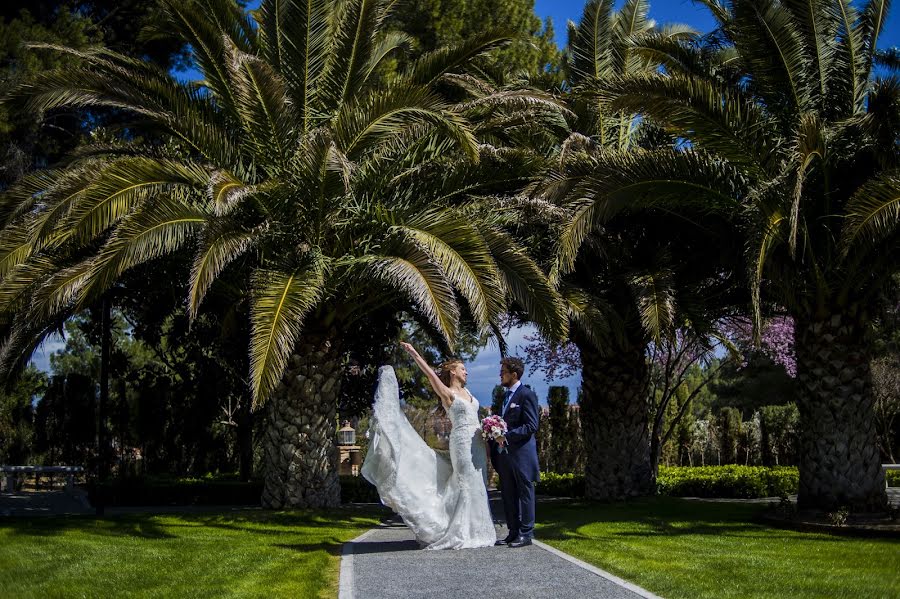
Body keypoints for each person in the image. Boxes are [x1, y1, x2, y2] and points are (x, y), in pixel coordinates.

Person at [361, 342, 495, 550]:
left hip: (476, 443)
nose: (466, 372)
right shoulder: (448, 393)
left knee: (478, 481)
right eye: (462, 368)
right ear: (452, 372)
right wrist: (415, 353)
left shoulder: (469, 393)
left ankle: (478, 529)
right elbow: (430, 375)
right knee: (465, 482)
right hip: (460, 442)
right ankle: (459, 531)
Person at [490, 356, 540, 548]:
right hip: (505, 455)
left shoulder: (526, 395)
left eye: (503, 372)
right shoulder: (505, 397)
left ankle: (526, 533)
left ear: (514, 374)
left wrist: (507, 436)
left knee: (525, 492)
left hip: (522, 454)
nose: (500, 375)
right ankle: (513, 531)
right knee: (508, 493)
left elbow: (531, 425)